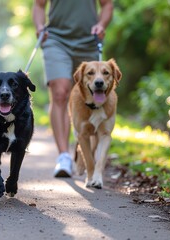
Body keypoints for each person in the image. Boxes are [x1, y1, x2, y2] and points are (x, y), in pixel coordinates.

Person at [32, 0, 113, 178]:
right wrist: (39, 26)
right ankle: (64, 156)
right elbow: (39, 5)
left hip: (89, 40)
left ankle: (81, 141)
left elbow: (107, 5)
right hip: (56, 40)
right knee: (60, 93)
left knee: (90, 97)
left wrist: (101, 25)